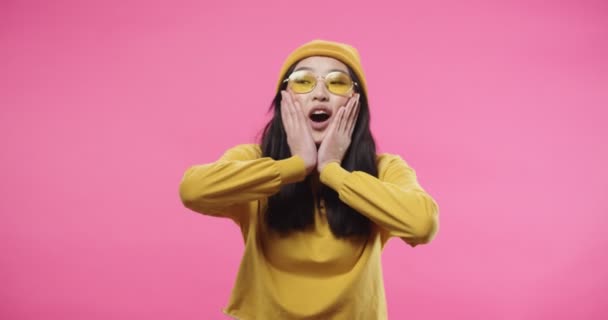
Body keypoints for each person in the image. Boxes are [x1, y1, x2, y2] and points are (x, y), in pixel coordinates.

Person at [179, 39, 439, 319]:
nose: (320, 94)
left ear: (356, 102)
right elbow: (193, 190)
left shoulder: (383, 169)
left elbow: (422, 224)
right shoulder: (255, 160)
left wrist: (332, 171)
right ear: (285, 99)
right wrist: (296, 165)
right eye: (304, 81)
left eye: (337, 82)